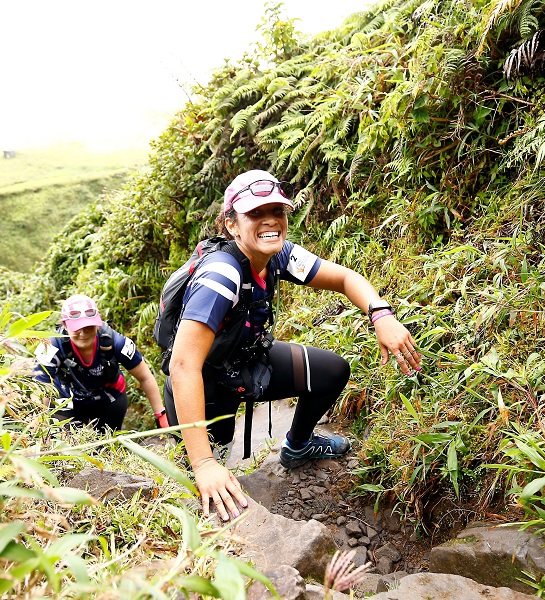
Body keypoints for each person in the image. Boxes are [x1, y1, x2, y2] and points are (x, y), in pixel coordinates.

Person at [163, 169, 422, 521]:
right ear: (232, 224)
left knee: (331, 371)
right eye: (255, 213)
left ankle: (298, 447)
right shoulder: (221, 276)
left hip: (248, 361)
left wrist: (381, 314)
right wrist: (204, 462)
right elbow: (183, 366)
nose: (270, 221)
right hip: (205, 384)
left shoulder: (278, 254)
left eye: (278, 212)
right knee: (212, 468)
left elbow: (345, 278)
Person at [34, 294, 168, 431]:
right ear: (64, 325)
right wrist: (41, 425)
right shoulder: (50, 348)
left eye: (89, 327)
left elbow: (145, 377)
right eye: (76, 328)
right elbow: (42, 389)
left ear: (98, 324)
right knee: (67, 443)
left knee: (107, 445)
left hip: (109, 397)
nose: (83, 334)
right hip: (67, 398)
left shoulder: (116, 342)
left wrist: (160, 414)